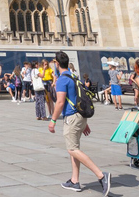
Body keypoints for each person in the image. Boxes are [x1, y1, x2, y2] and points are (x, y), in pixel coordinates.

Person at [48, 51, 110, 196]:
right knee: (74, 148)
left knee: (72, 149)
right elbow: (78, 97)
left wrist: (53, 120)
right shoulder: (73, 76)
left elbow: (60, 102)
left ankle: (101, 175)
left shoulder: (62, 79)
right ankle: (74, 181)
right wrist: (83, 122)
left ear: (57, 64)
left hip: (71, 117)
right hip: (79, 116)